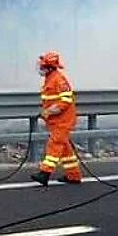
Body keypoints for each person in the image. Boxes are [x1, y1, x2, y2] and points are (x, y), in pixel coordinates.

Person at [31, 50, 81, 186]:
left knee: (54, 145)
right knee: (64, 148)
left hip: (63, 120)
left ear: (50, 67)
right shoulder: (50, 78)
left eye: (42, 67)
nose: (40, 69)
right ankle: (74, 175)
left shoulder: (59, 79)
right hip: (56, 120)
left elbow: (65, 101)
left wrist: (48, 112)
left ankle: (44, 173)